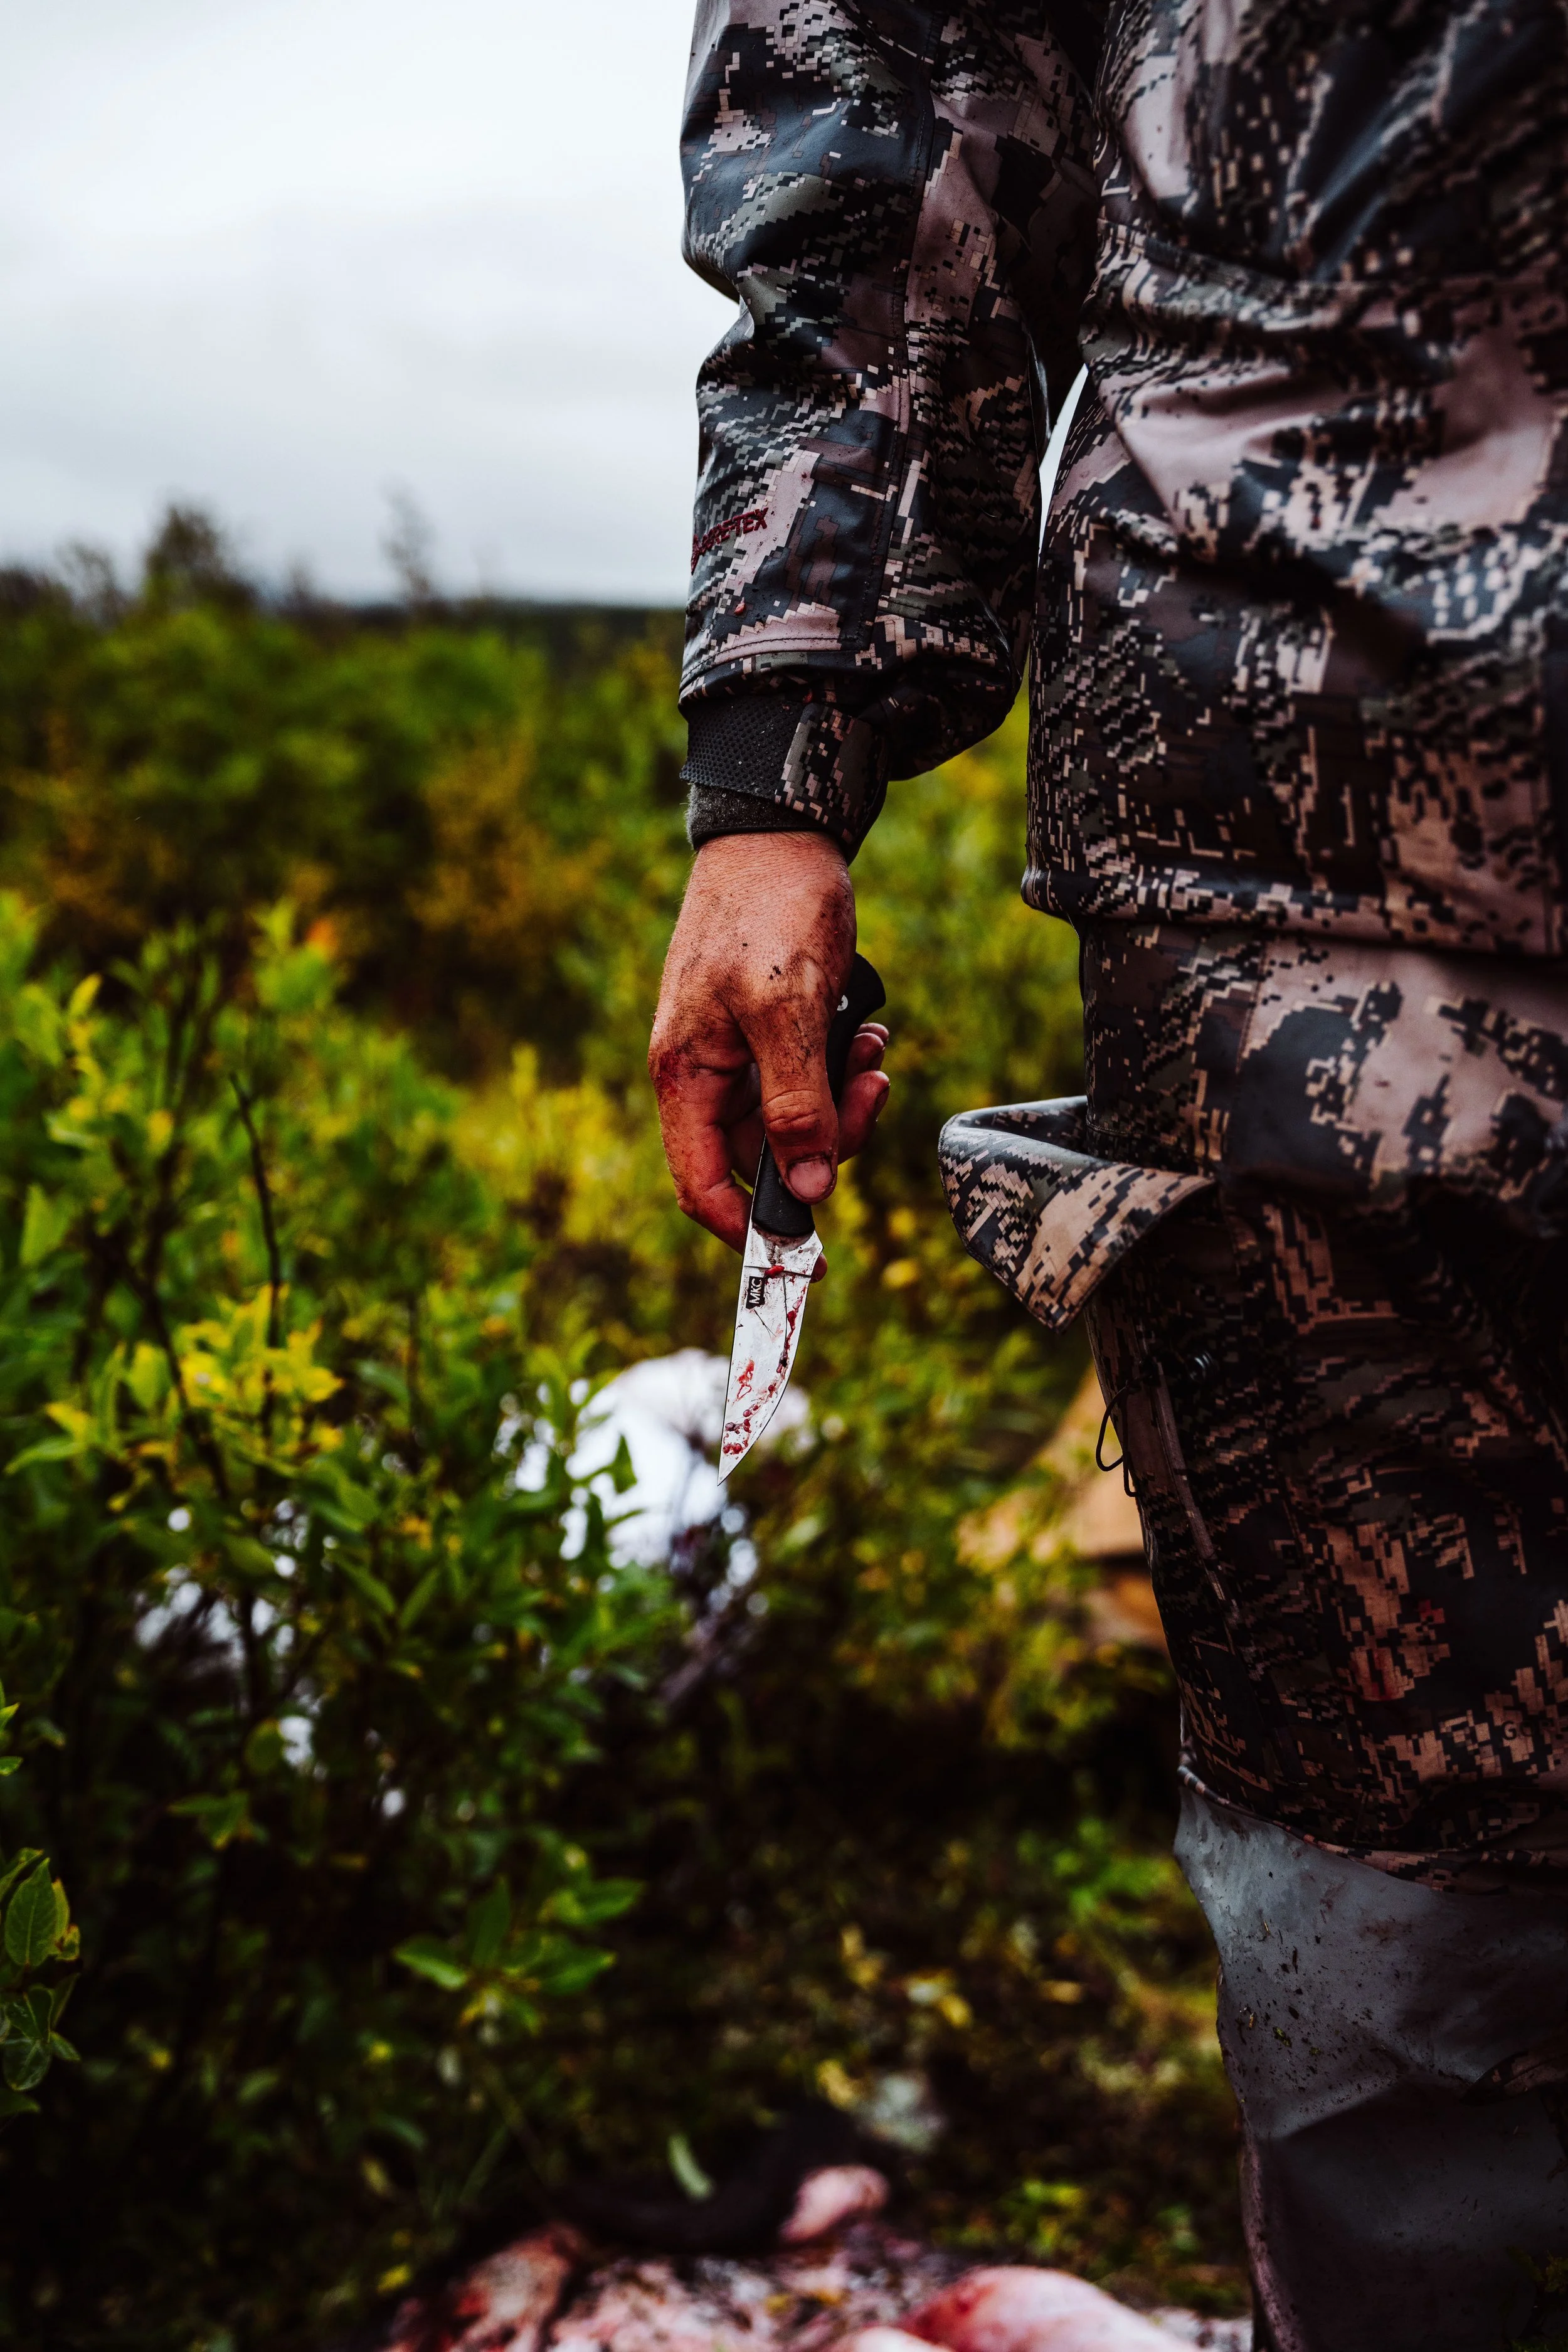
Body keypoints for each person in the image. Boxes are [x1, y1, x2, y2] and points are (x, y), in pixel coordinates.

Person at [646, 3, 1568, 2344]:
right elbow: (877, 128)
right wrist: (776, 781)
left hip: (1291, 847)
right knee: (1397, 1901)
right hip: (1318, 842)